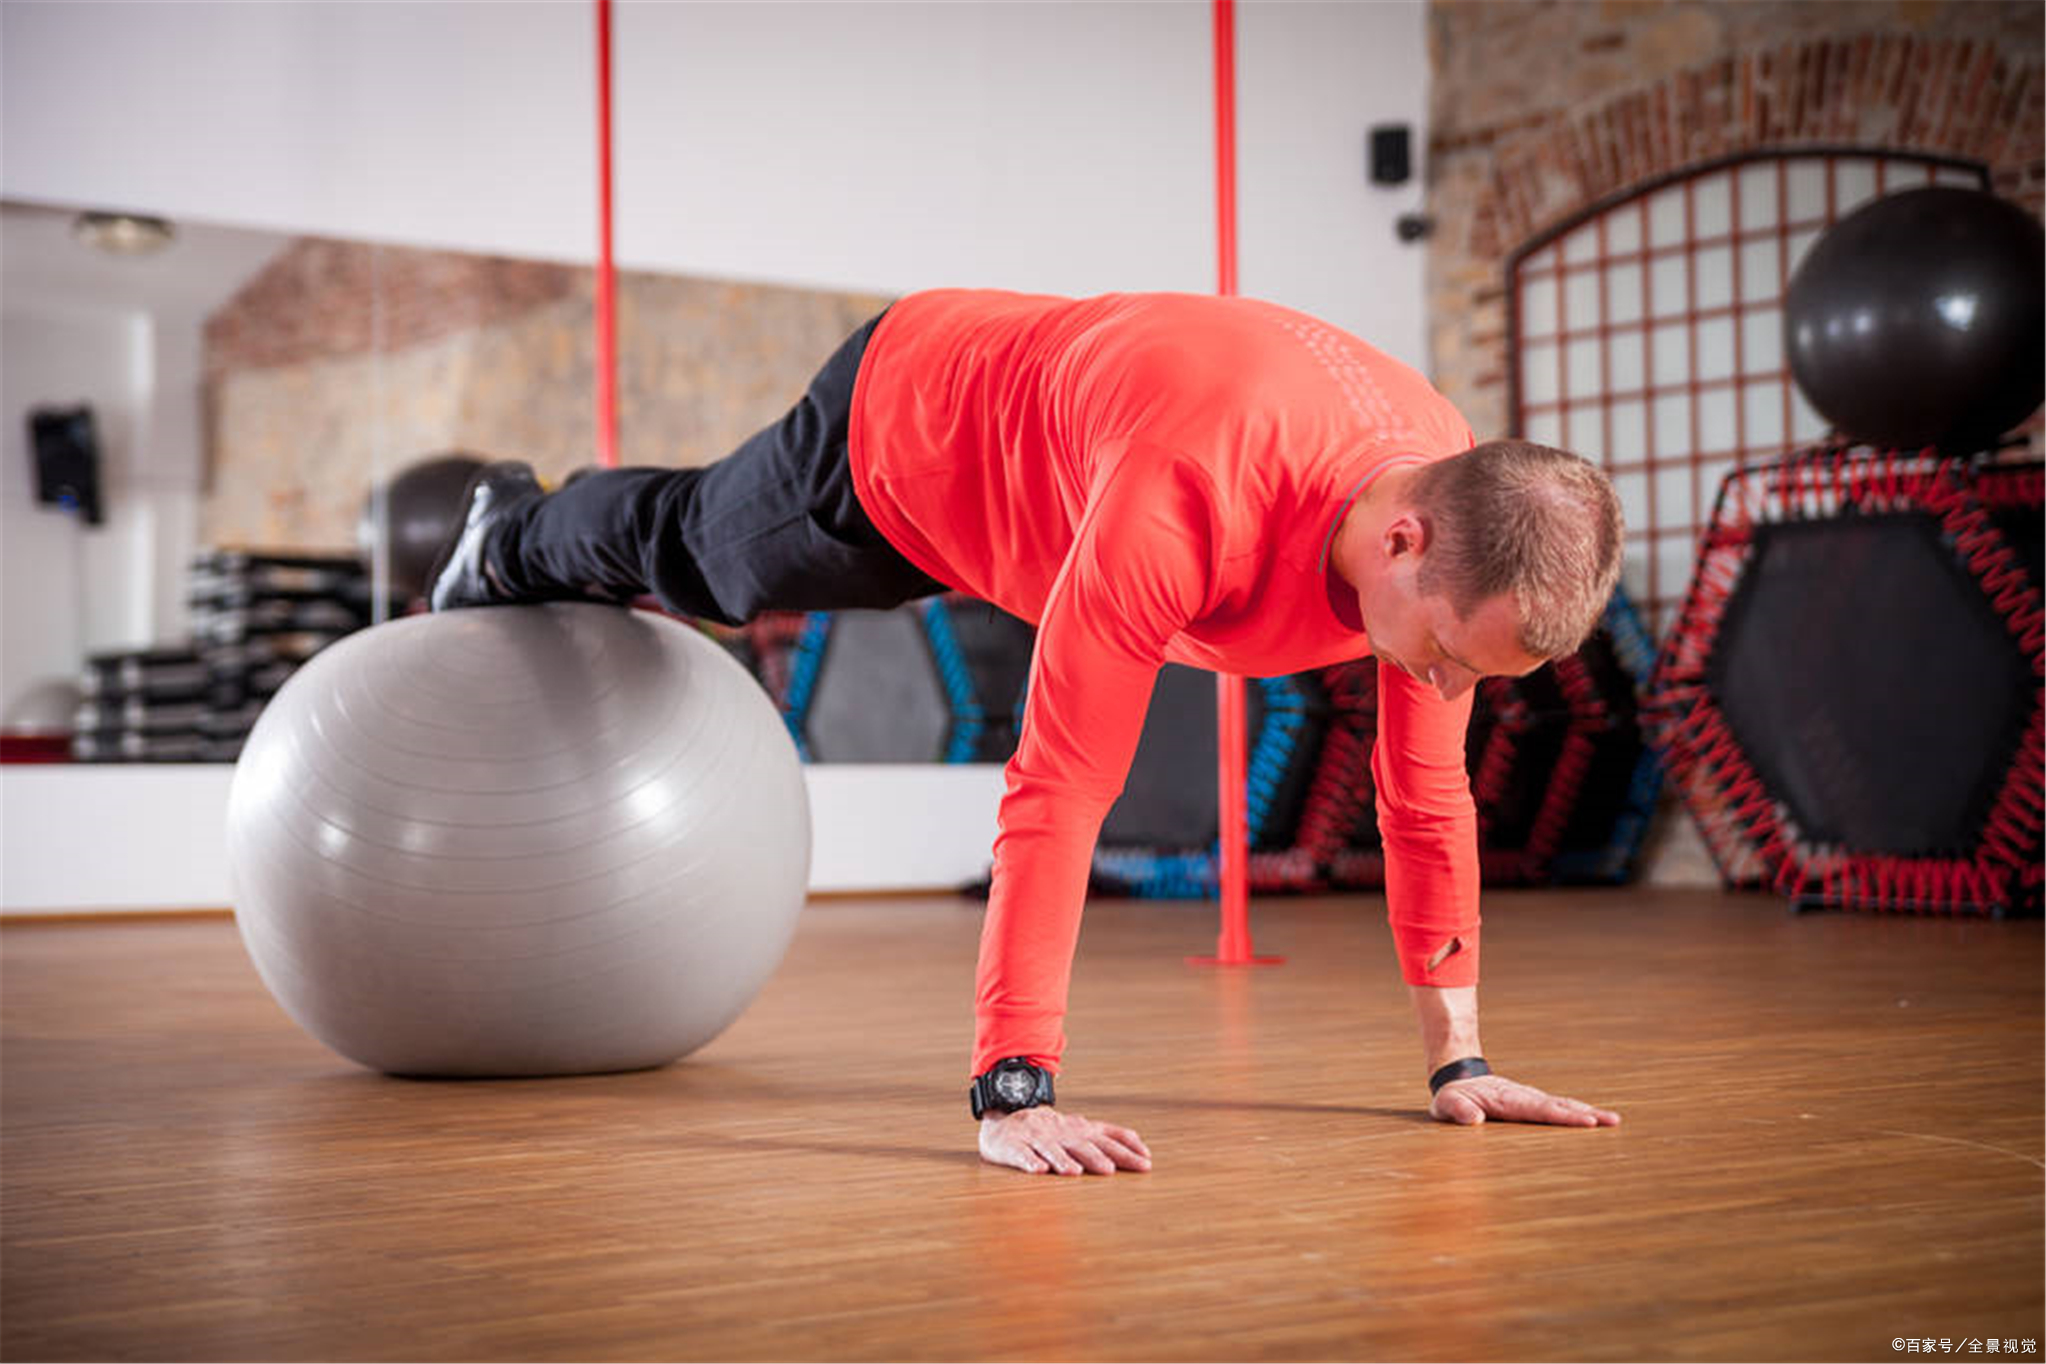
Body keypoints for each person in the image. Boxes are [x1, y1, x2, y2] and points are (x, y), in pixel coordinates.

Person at [426, 288, 1627, 1177]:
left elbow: (1425, 796)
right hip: (911, 432)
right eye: (1449, 652)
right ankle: (509, 531)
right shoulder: (1189, 493)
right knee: (706, 558)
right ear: (1405, 539)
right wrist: (1014, 1088)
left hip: (1059, 476)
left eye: (1475, 670)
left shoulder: (1450, 528)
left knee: (712, 558)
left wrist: (1460, 1060)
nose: (1445, 680)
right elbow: (1059, 786)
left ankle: (525, 535)